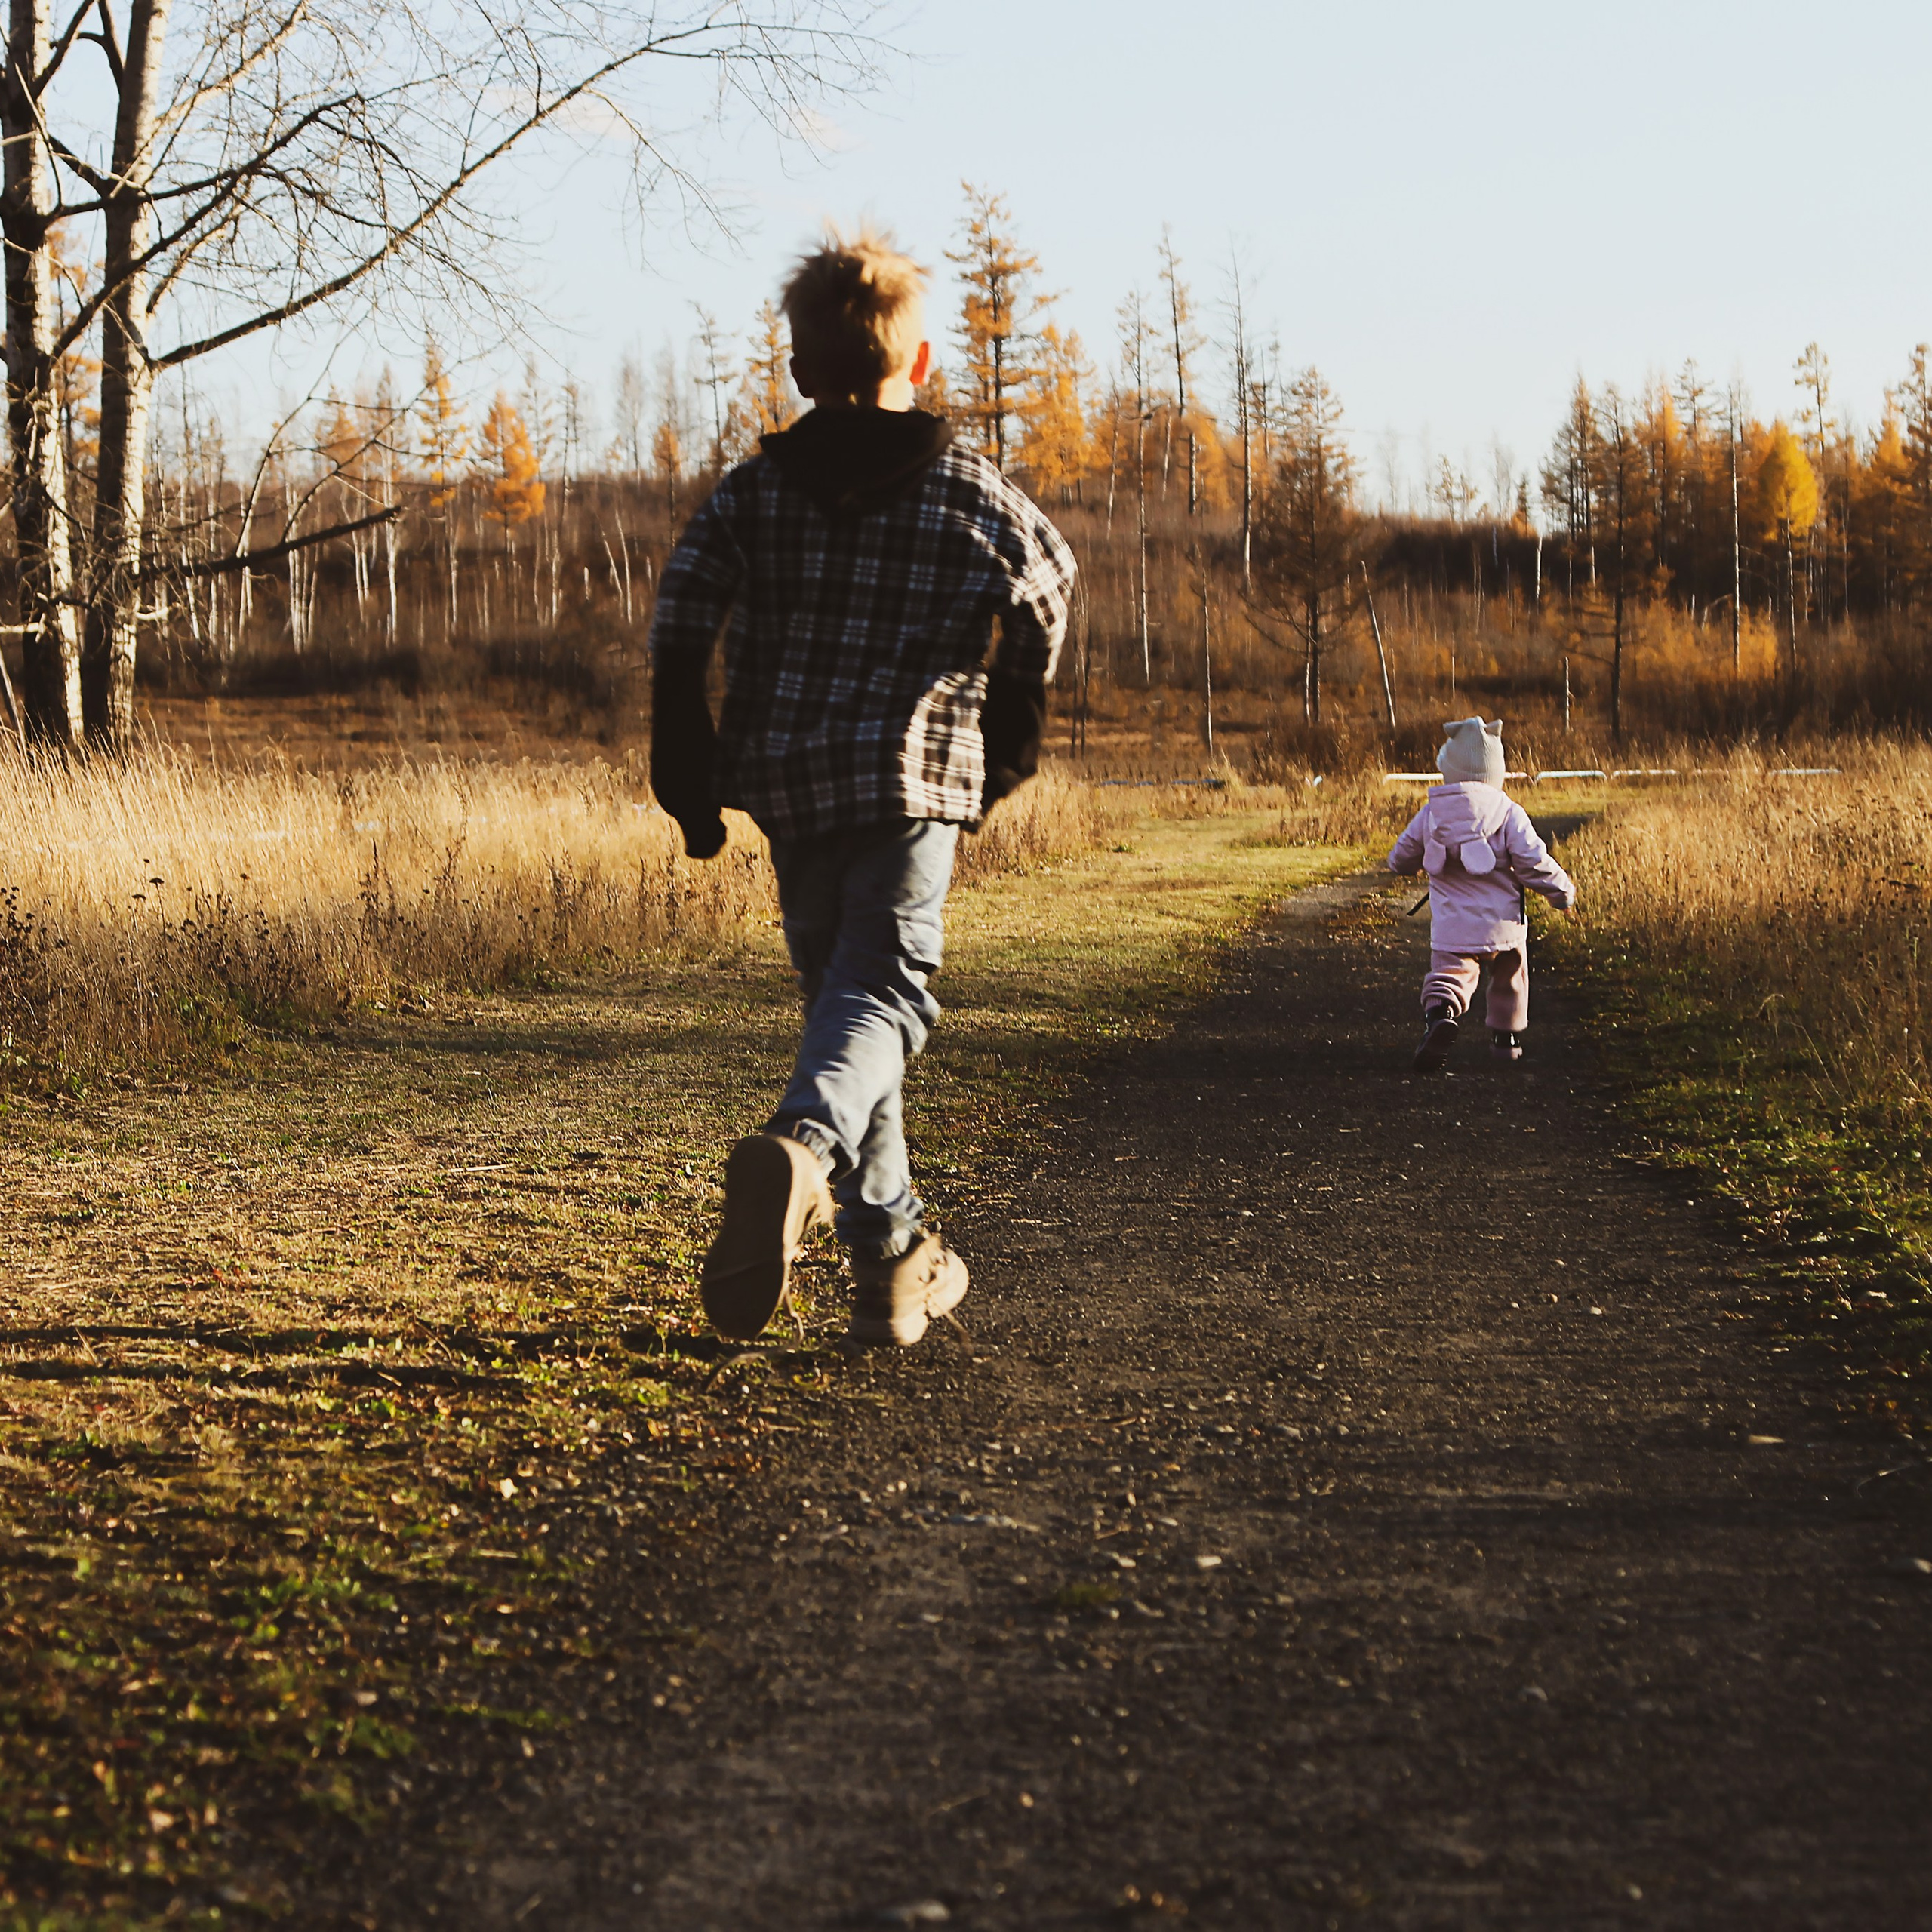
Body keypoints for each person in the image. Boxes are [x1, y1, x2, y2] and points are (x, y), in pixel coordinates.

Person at [647, 226, 1075, 1348]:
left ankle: (891, 1263)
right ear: (919, 365)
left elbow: (682, 622)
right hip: (912, 782)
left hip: (788, 785)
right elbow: (1046, 594)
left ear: (799, 372)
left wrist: (686, 772)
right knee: (883, 1002)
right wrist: (1013, 742)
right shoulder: (971, 491)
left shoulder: (753, 493)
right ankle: (800, 1148)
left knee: (849, 1009)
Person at [1386, 717, 1576, 1072]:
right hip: (1504, 927)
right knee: (1511, 977)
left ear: (1450, 770)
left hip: (1453, 929)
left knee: (1450, 977)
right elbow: (1535, 863)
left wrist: (1404, 864)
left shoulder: (1431, 814)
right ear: (1497, 773)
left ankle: (1441, 1015)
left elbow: (1400, 858)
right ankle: (1507, 1043)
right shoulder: (1509, 814)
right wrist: (1562, 894)